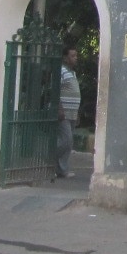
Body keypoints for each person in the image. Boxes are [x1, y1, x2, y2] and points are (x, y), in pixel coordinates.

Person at [56, 43, 82, 179]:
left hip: (72, 112)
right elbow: (56, 90)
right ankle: (49, 158)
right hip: (64, 112)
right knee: (66, 140)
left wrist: (77, 112)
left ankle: (61, 169)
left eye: (76, 55)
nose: (75, 58)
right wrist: (59, 108)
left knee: (69, 142)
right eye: (73, 56)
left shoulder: (72, 73)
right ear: (65, 58)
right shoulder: (61, 70)